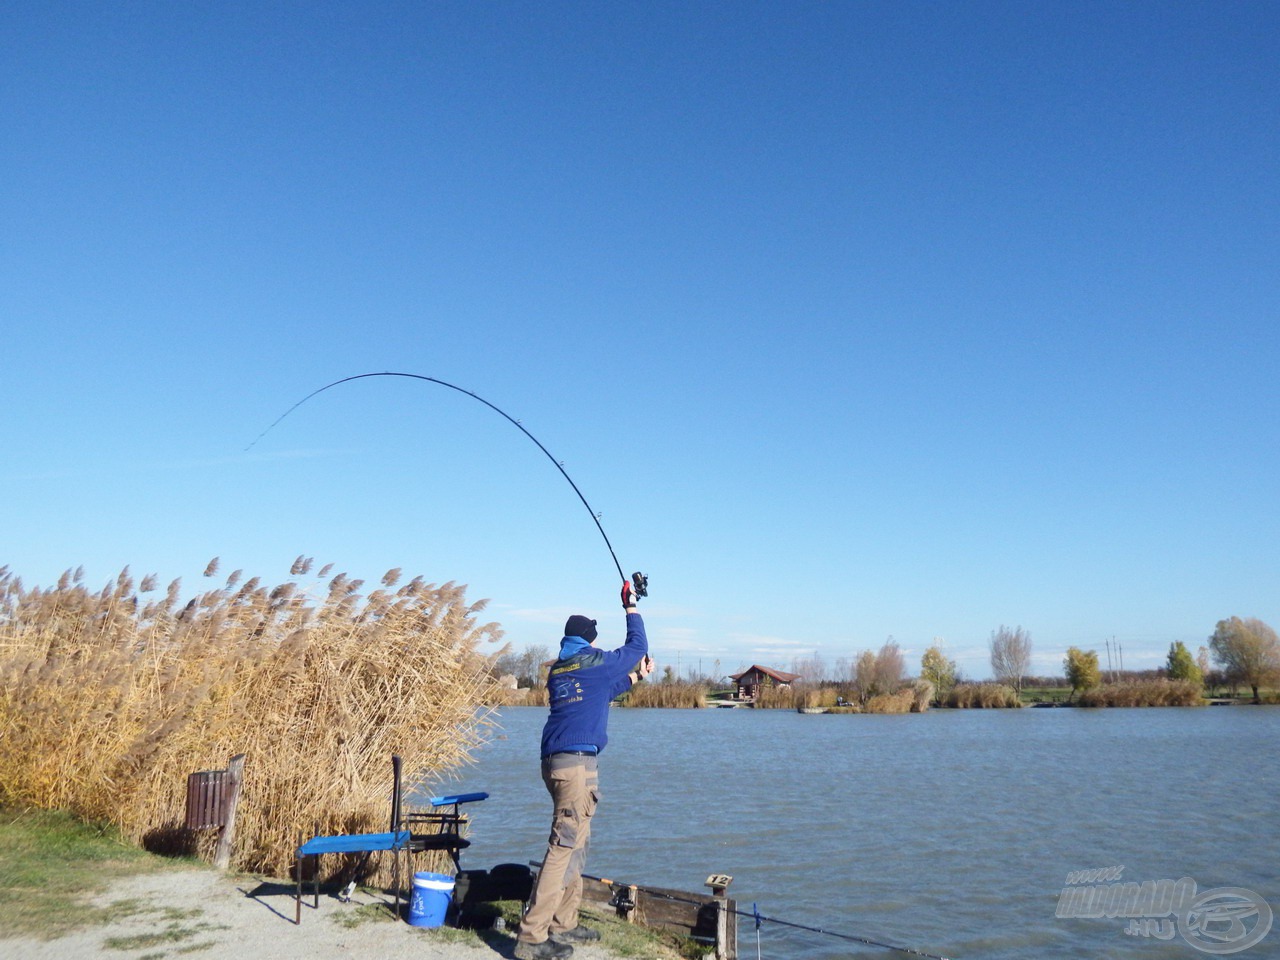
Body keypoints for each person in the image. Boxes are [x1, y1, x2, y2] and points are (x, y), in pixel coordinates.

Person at [515, 579, 654, 960]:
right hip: (575, 766)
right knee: (562, 847)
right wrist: (630, 606)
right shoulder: (593, 661)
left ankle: (563, 922)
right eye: (594, 636)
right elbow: (637, 647)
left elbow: (605, 692)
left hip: (562, 763)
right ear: (590, 639)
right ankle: (531, 936)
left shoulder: (562, 668)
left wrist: (637, 677)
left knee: (577, 841)